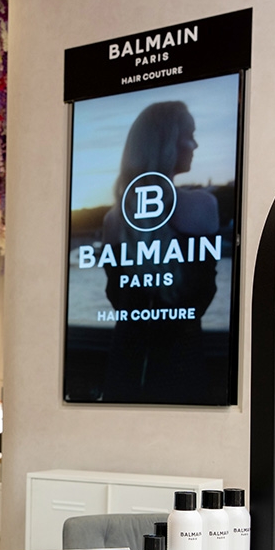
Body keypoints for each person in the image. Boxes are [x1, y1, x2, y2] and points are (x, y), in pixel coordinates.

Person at [100, 100, 221, 403]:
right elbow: (203, 294)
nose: (195, 145)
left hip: (122, 365)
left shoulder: (113, 220)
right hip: (183, 366)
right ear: (167, 144)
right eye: (189, 135)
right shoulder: (203, 207)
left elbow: (117, 297)